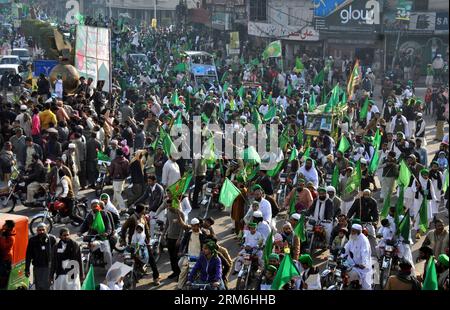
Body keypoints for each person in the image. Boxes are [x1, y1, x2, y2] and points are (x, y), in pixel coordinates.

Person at [79, 199, 113, 270]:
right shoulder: (89, 215)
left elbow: (108, 226)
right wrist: (80, 231)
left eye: (96, 206)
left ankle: (109, 270)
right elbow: (85, 225)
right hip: (92, 237)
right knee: (84, 250)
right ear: (91, 207)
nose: (95, 208)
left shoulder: (104, 214)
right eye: (93, 206)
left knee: (107, 252)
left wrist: (106, 233)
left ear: (99, 206)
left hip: (103, 237)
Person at [25, 223, 57, 290]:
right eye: (39, 230)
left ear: (46, 230)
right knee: (38, 285)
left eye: (43, 230)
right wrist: (27, 269)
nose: (41, 231)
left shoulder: (52, 239)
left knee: (48, 286)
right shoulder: (32, 241)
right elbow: (28, 255)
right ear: (37, 231)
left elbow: (56, 254)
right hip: (37, 267)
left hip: (48, 267)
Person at [177, 218, 206, 289]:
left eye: (195, 226)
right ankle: (180, 287)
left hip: (199, 257)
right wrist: (180, 251)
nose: (193, 227)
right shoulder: (188, 233)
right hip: (189, 256)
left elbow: (205, 245)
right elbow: (183, 242)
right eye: (192, 226)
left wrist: (203, 253)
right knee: (182, 270)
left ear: (198, 225)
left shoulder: (203, 234)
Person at [343, 224, 373, 290]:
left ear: (359, 232)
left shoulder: (364, 241)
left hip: (362, 268)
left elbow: (365, 253)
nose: (352, 233)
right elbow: (346, 247)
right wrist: (341, 255)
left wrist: (364, 264)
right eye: (351, 231)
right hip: (352, 264)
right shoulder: (352, 237)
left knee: (366, 287)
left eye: (354, 231)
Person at [0, 220, 15, 289]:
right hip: (3, 258)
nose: (4, 225)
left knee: (4, 276)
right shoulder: (4, 233)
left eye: (5, 225)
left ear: (8, 227)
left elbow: (3, 247)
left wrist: (1, 237)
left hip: (6, 259)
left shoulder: (11, 238)